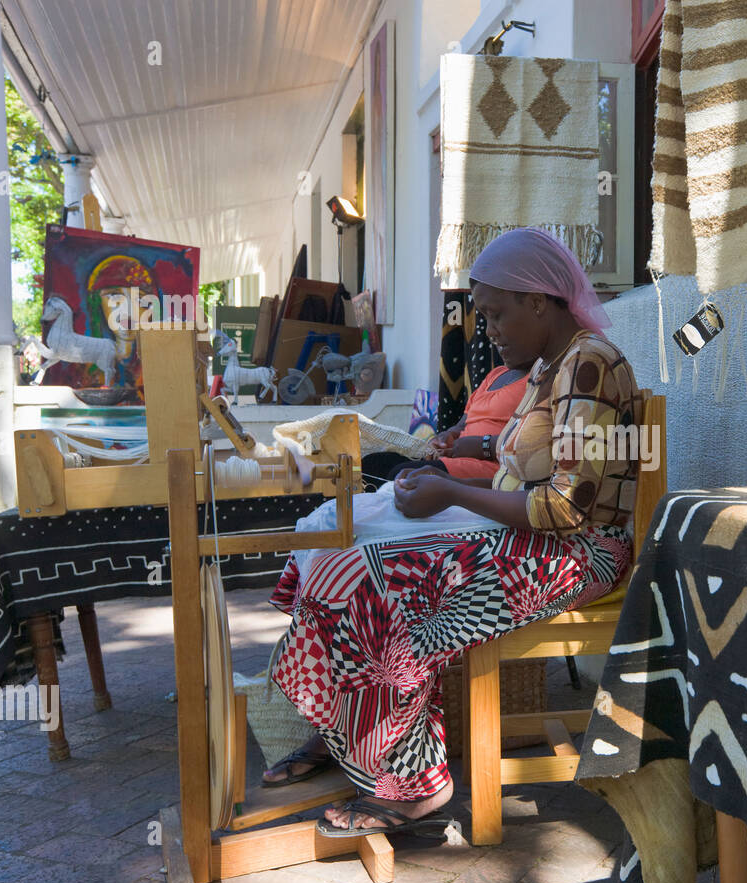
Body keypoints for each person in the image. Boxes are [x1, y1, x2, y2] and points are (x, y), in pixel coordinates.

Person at [262, 228, 642, 837]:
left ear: (539, 301)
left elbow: (570, 506)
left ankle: (413, 783)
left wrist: (455, 493)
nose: (488, 329)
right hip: (536, 537)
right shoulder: (552, 366)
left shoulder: (591, 364)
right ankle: (350, 725)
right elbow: (534, 452)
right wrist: (471, 451)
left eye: (496, 313)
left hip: (580, 553)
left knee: (378, 575)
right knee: (337, 544)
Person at [359, 354, 530, 489]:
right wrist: (447, 436)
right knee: (371, 464)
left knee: (403, 477)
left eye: (499, 317)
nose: (491, 331)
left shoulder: (541, 382)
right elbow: (462, 424)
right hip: (455, 457)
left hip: (489, 468)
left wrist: (482, 446)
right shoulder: (496, 374)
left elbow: (531, 444)